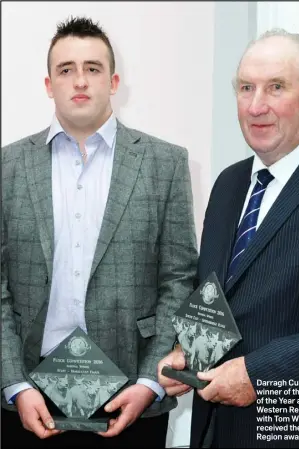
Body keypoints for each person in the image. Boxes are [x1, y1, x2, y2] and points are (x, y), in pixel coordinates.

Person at [1, 16, 198, 448]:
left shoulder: (164, 164)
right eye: (66, 69)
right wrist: (14, 383)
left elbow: (179, 281)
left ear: (113, 81)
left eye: (92, 68)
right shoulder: (7, 167)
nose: (80, 81)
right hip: (29, 398)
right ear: (49, 84)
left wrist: (152, 381)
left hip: (131, 394)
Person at [158, 28, 299, 448]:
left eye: (276, 87)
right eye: (246, 87)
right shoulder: (229, 184)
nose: (255, 105)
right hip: (213, 431)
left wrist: (260, 375)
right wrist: (189, 351)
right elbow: (221, 296)